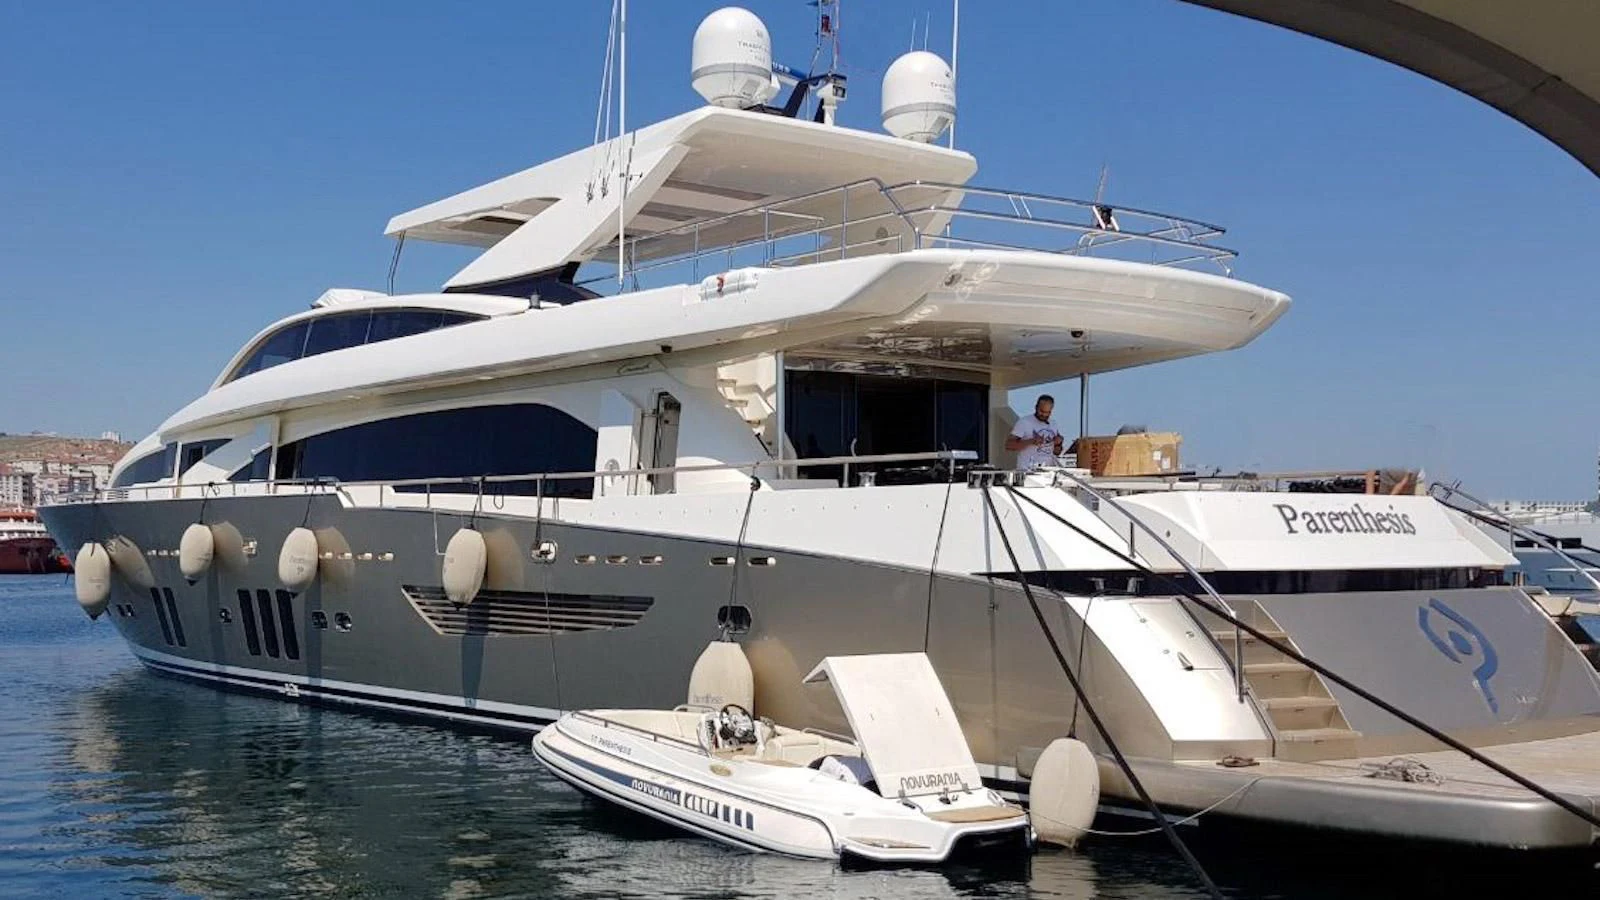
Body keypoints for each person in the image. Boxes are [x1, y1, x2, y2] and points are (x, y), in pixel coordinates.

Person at [1006, 394, 1064, 470]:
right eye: (1041, 411)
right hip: (1027, 472)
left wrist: (1058, 443)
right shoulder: (1024, 422)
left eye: (1047, 412)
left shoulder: (1053, 424)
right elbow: (1009, 445)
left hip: (1048, 472)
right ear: (1036, 407)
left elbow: (1057, 452)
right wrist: (1031, 441)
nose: (1044, 414)